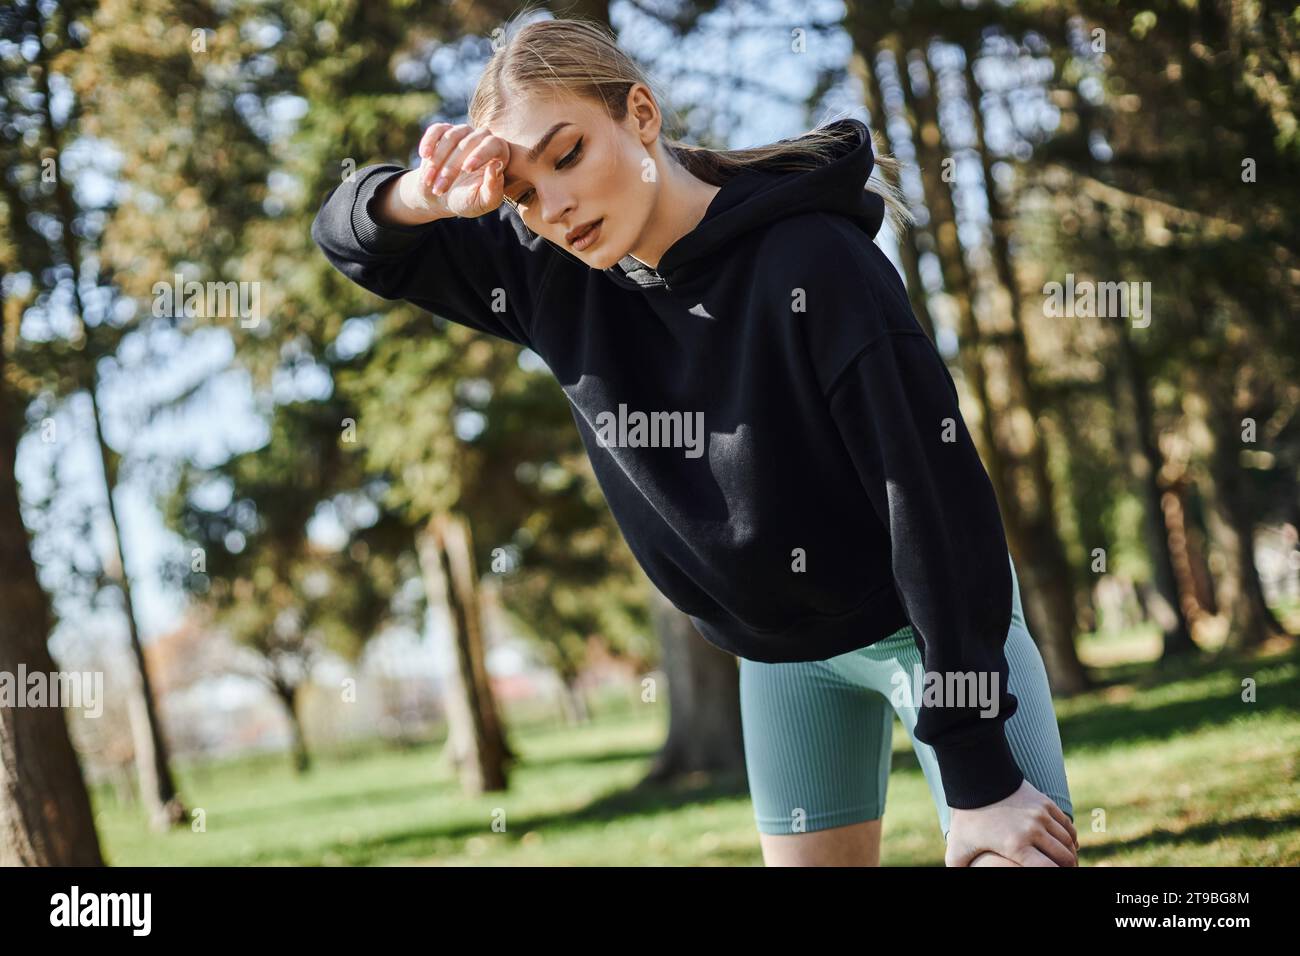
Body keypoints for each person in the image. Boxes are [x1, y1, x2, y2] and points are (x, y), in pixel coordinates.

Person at [311, 16, 1077, 867]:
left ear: (641, 114)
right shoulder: (548, 276)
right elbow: (352, 240)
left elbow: (932, 506)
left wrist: (978, 772)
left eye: (566, 155)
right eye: (523, 192)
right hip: (784, 662)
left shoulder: (816, 263)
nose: (554, 207)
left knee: (1018, 860)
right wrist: (429, 194)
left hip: (936, 634)